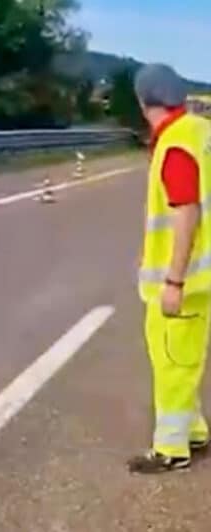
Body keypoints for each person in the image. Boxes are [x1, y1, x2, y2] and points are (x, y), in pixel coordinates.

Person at [129, 63, 211, 474]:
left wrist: (173, 279)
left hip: (186, 278)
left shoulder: (176, 143)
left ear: (145, 101)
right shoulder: (200, 132)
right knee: (183, 360)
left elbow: (186, 212)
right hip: (203, 276)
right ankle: (193, 431)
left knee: (171, 363)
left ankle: (171, 449)